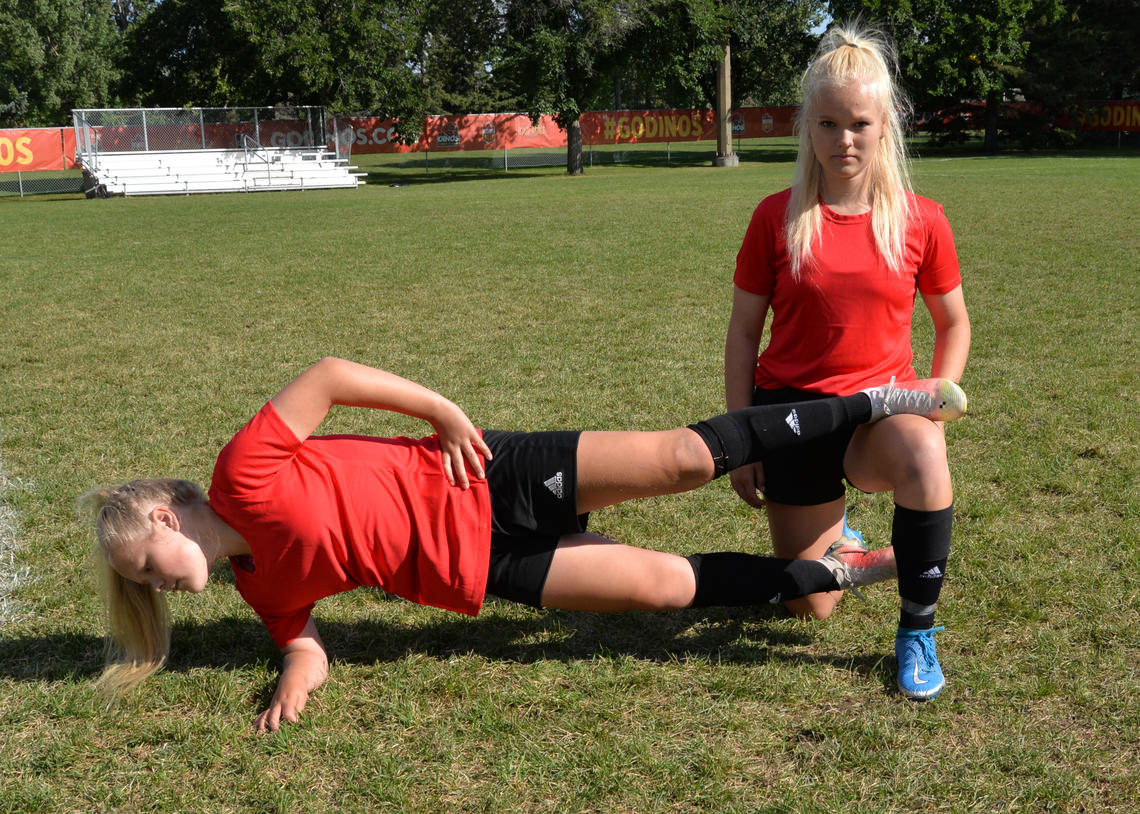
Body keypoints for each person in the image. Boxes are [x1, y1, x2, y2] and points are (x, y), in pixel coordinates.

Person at [86, 357, 965, 730]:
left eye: (144, 571)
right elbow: (304, 642)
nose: (155, 587)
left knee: (683, 461)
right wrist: (292, 682)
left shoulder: (241, 470)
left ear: (165, 520)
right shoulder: (255, 584)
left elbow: (328, 378)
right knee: (661, 589)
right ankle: (833, 567)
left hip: (486, 476)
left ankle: (874, 403)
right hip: (486, 570)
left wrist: (440, 411)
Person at [724, 22, 971, 701]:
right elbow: (744, 334)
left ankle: (917, 625)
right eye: (828, 124)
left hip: (880, 415)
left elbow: (953, 323)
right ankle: (872, 551)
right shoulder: (776, 217)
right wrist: (743, 435)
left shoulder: (922, 219)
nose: (844, 140)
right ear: (809, 127)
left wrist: (934, 407)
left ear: (885, 124)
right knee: (811, 606)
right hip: (791, 414)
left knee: (925, 458)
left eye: (859, 123)